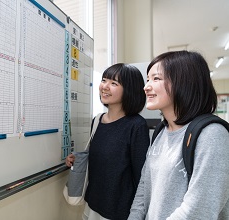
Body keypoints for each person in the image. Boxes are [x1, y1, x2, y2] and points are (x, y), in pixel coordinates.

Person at [128, 50, 229, 220]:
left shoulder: (212, 135)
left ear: (184, 82)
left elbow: (198, 210)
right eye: (147, 80)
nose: (146, 87)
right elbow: (144, 189)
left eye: (156, 78)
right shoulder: (161, 131)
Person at [66, 63, 150, 220]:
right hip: (92, 205)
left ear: (129, 89)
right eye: (104, 80)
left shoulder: (136, 125)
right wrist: (78, 159)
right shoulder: (97, 120)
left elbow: (141, 177)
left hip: (119, 212)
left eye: (114, 83)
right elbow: (103, 157)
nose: (105, 86)